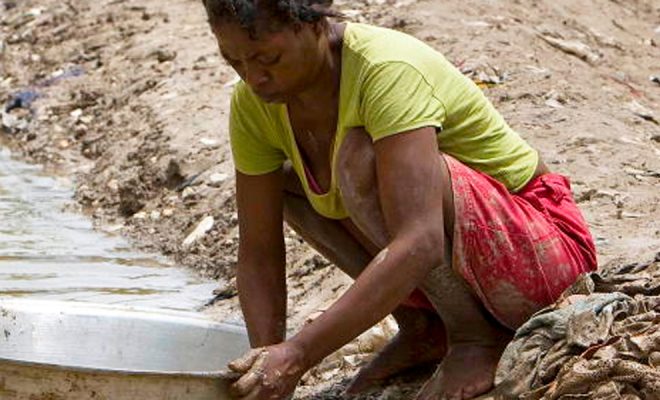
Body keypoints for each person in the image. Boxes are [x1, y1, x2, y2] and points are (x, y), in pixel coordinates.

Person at [200, 1, 597, 399]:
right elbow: (259, 252)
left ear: (314, 24)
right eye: (235, 62)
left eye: (268, 58)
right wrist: (266, 366)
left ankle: (475, 338)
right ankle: (423, 327)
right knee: (285, 184)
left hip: (546, 260)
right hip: (470, 266)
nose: (254, 78)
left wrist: (299, 353)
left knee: (360, 159)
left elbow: (420, 241)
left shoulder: (385, 69)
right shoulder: (253, 105)